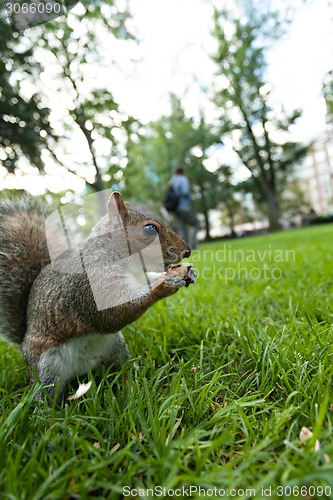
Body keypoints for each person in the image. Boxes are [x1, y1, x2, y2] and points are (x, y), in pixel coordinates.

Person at [170, 165, 199, 249]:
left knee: (182, 227)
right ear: (183, 172)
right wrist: (191, 199)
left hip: (176, 208)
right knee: (195, 224)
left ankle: (182, 247)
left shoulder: (172, 181)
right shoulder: (183, 179)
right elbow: (185, 192)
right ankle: (193, 244)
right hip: (184, 206)